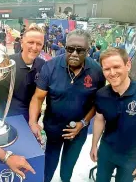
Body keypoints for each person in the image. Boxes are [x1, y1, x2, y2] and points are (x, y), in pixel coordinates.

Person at [29, 29, 106, 182]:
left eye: (80, 50)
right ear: (65, 47)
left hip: (78, 132)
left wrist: (83, 123)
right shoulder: (50, 67)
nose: (74, 53)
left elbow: (97, 103)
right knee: (48, 168)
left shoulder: (97, 71)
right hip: (52, 130)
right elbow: (38, 98)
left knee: (67, 169)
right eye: (70, 49)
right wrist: (33, 122)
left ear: (88, 50)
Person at [90, 48, 136, 182]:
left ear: (128, 65)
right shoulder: (101, 94)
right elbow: (99, 119)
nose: (112, 73)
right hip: (106, 151)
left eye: (116, 67)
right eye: (106, 69)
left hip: (133, 155)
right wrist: (94, 145)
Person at [0, 24, 45, 130]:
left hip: (32, 121)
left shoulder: (42, 65)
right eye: (30, 42)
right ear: (21, 43)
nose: (34, 47)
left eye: (39, 44)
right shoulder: (6, 64)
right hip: (9, 121)